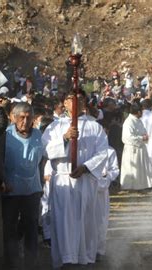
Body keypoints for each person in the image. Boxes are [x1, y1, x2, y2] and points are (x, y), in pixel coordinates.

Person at [41, 90, 108, 268]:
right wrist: (64, 138)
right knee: (63, 220)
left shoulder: (95, 127)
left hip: (85, 180)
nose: (75, 102)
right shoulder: (54, 127)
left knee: (85, 219)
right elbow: (45, 150)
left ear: (85, 102)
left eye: (79, 99)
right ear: (64, 103)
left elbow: (103, 153)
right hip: (63, 180)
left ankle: (83, 256)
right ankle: (65, 258)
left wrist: (86, 167)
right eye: (70, 99)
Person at [1, 102, 43, 268]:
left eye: (28, 117)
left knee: (31, 227)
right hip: (11, 189)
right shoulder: (6, 135)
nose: (25, 121)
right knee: (10, 228)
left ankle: (31, 262)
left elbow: (43, 158)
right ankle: (11, 263)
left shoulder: (39, 135)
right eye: (21, 117)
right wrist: (2, 180)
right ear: (13, 118)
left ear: (33, 118)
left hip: (32, 190)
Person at [120, 103, 152, 190]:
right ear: (138, 112)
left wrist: (145, 136)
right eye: (141, 111)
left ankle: (142, 185)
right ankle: (132, 187)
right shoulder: (129, 122)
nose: (142, 113)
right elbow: (127, 137)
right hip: (132, 149)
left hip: (141, 148)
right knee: (133, 169)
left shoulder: (138, 120)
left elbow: (143, 131)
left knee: (141, 169)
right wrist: (141, 138)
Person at [96, 145, 119, 258]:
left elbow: (115, 170)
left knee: (101, 219)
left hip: (101, 190)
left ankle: (98, 250)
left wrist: (106, 175)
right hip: (84, 188)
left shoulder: (110, 151)